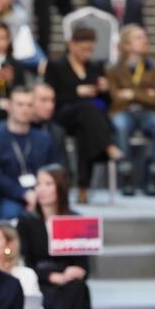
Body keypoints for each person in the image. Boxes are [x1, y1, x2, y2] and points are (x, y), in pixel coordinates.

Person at [17, 167, 91, 309]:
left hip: (69, 288)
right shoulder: (27, 221)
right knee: (76, 304)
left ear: (60, 188)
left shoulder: (75, 219)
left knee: (78, 291)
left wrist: (70, 274)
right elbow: (26, 263)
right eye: (38, 184)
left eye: (48, 184)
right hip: (42, 287)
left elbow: (84, 267)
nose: (41, 189)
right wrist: (54, 275)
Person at [45, 28, 121, 204]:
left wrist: (105, 90)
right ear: (71, 45)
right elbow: (51, 96)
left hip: (89, 120)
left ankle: (83, 187)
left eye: (90, 49)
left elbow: (108, 102)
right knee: (89, 110)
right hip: (64, 114)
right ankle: (107, 144)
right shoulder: (56, 66)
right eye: (83, 49)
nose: (87, 53)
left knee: (85, 130)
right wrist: (76, 92)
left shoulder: (96, 67)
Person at [107, 24, 155, 197]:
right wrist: (144, 93)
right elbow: (115, 98)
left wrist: (131, 93)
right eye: (138, 37)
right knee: (119, 126)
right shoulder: (112, 70)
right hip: (122, 112)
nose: (145, 40)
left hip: (147, 112)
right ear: (126, 45)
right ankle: (126, 175)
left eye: (145, 37)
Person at [0, 86, 58, 220]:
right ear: (9, 106)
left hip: (41, 195)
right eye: (20, 104)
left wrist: (40, 194)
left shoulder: (45, 139)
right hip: (6, 198)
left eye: (29, 105)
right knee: (13, 214)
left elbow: (54, 171)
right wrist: (24, 193)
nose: (25, 109)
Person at [31, 82, 69, 169]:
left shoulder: (57, 132)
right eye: (43, 100)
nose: (50, 106)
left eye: (52, 100)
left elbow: (63, 169)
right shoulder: (14, 129)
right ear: (30, 101)